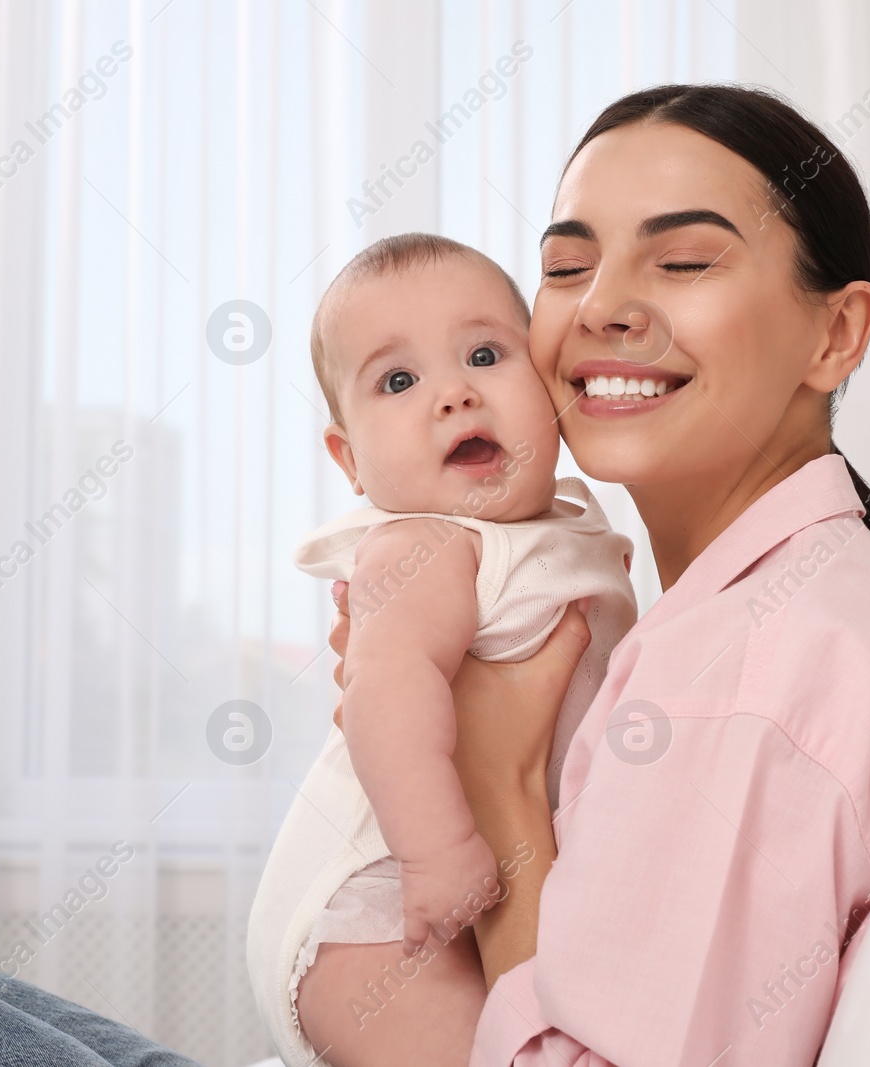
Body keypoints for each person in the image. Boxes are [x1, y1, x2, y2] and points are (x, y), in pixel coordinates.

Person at [0, 82, 870, 1067]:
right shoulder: (750, 605)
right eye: (568, 268)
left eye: (680, 262)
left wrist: (503, 784)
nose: (604, 307)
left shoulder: (772, 667)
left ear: (834, 332)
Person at [247, 233, 638, 1067]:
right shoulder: (423, 545)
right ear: (350, 460)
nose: (454, 394)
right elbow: (382, 695)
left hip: (482, 889)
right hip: (379, 910)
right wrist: (438, 852)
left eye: (486, 354)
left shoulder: (566, 529)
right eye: (398, 380)